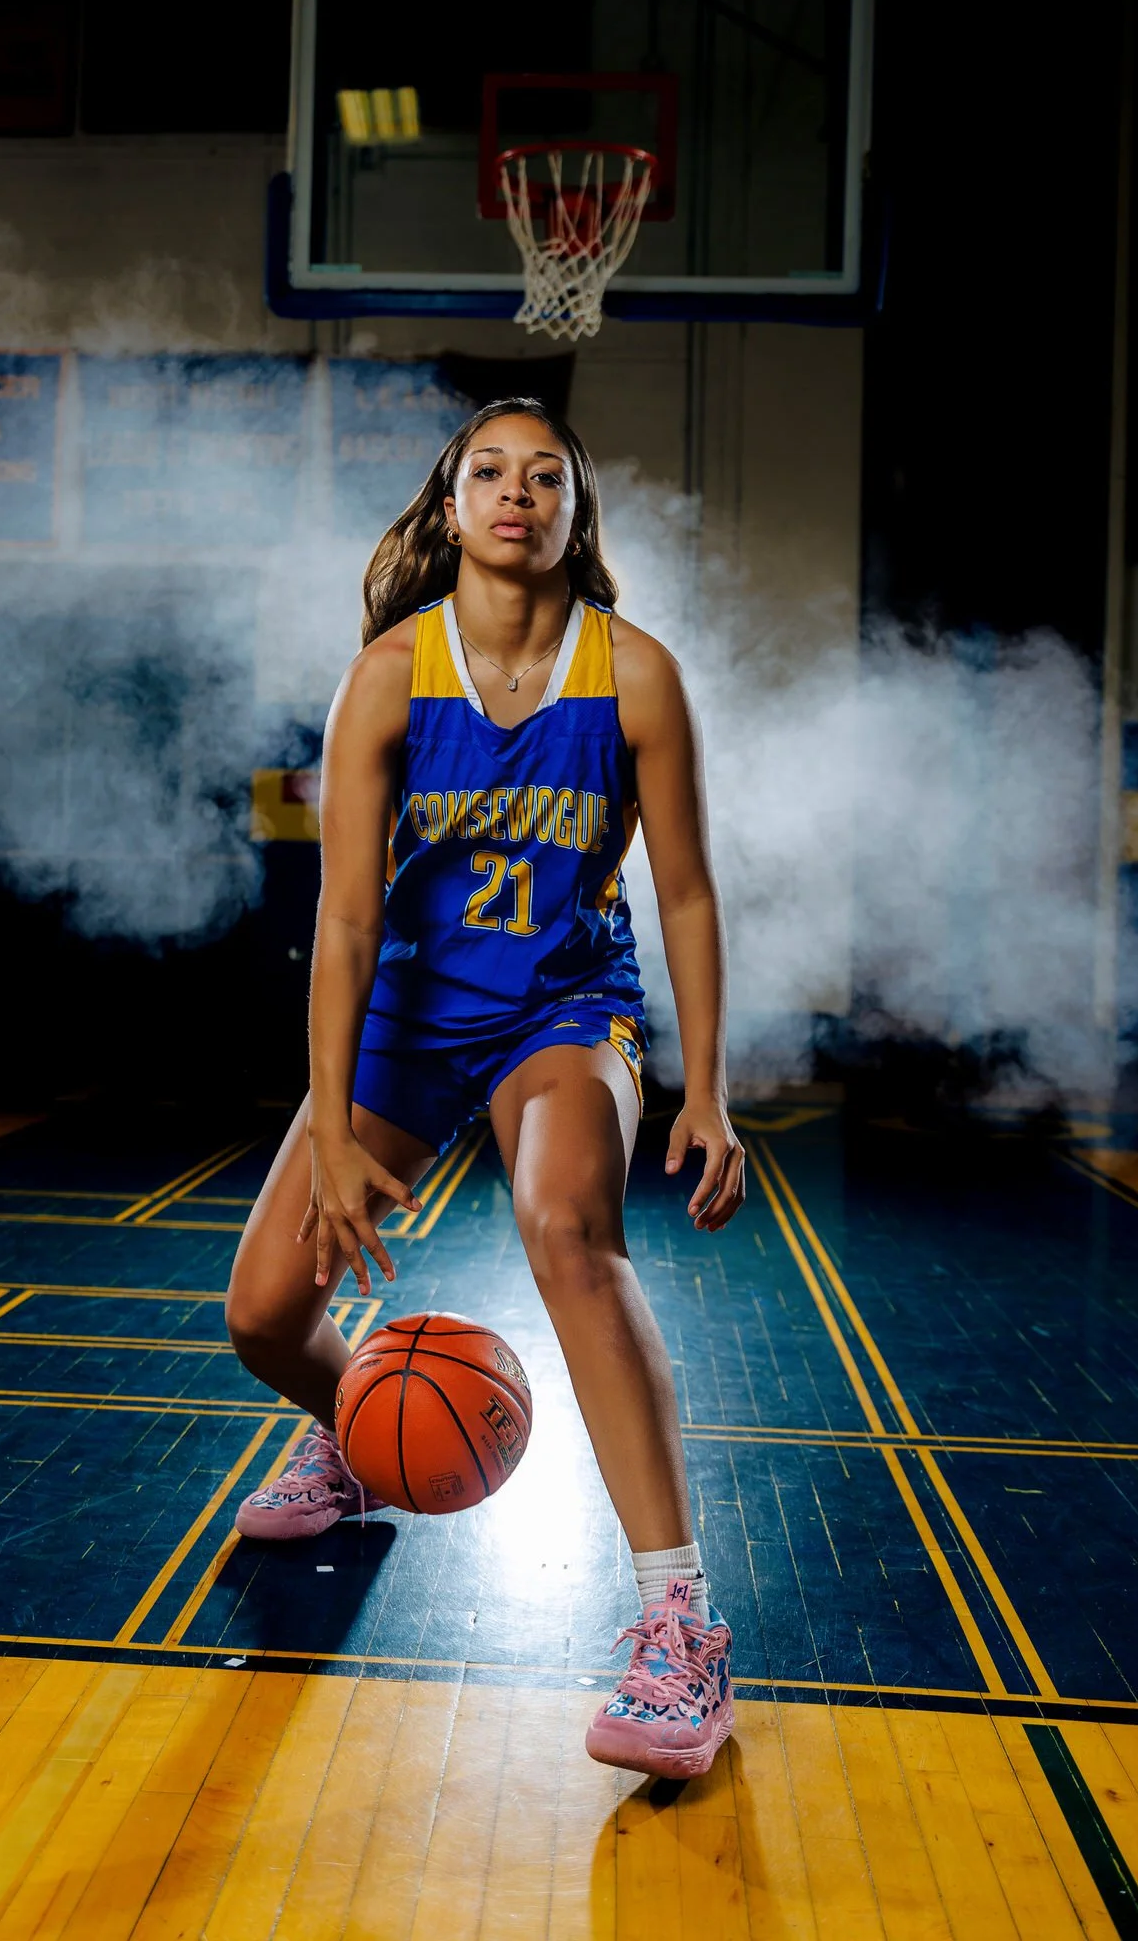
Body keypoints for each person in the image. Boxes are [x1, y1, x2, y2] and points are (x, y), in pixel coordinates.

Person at [224, 397, 745, 1777]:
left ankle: (681, 1627)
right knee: (261, 1313)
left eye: (546, 475)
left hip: (561, 1006)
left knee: (567, 1225)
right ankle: (356, 1435)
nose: (519, 493)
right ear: (450, 508)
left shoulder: (635, 675)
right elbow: (345, 918)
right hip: (410, 1009)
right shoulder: (390, 675)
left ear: (575, 511)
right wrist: (332, 1127)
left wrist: (706, 1092)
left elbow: (686, 894)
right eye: (491, 473)